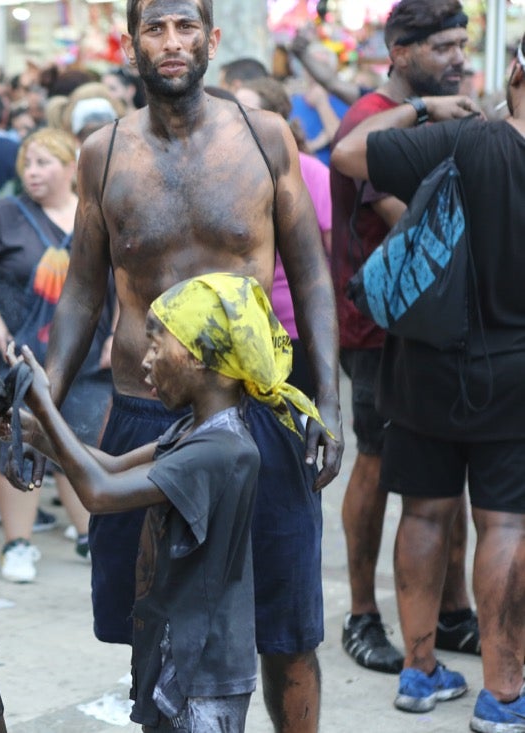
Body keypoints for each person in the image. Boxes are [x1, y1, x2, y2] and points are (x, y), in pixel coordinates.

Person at [38, 1, 343, 731]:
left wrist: (327, 400)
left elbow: (314, 276)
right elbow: (82, 289)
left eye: (185, 25)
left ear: (210, 37)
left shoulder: (265, 137)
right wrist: (42, 407)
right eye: (155, 27)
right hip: (143, 405)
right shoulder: (102, 152)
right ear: (131, 41)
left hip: (256, 412)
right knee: (151, 617)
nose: (171, 42)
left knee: (287, 628)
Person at [0, 273, 328, 732]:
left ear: (201, 358)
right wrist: (35, 431)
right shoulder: (195, 429)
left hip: (206, 669)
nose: (145, 362)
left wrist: (46, 407)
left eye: (157, 347)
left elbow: (99, 493)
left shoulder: (223, 448)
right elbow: (110, 467)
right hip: (181, 649)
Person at [332, 28, 524, 729]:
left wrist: (423, 110)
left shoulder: (472, 139)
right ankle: (503, 693)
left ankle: (417, 673)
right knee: (504, 520)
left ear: (516, 68)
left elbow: (349, 154)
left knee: (422, 512)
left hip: (426, 361)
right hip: (515, 370)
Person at [328, 0, 479, 677]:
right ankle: (363, 614)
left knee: (448, 474)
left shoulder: (452, 107)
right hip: (377, 329)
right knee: (378, 462)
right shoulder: (369, 122)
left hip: (441, 327)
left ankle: (453, 611)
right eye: (442, 46)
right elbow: (417, 224)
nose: (457, 58)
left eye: (460, 44)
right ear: (399, 48)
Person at [0, 127, 111, 582]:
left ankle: (92, 537)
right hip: (16, 358)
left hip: (85, 357)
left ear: (72, 167)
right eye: (27, 163)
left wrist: (118, 332)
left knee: (80, 443)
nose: (32, 172)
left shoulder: (96, 214)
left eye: (44, 162)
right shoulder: (3, 215)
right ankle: (18, 544)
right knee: (21, 445)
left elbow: (122, 277)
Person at [233, 77, 330, 395]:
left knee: (309, 430)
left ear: (275, 119)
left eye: (248, 111)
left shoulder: (310, 172)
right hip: (238, 333)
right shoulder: (223, 175)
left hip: (296, 330)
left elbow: (330, 255)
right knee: (255, 434)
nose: (237, 120)